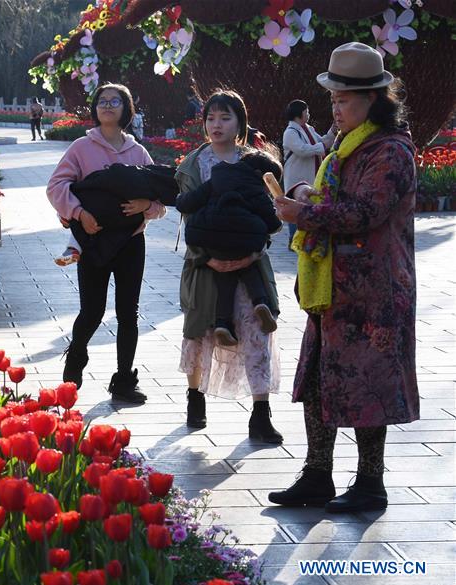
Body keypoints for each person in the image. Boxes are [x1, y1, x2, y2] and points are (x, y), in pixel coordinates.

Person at [269, 42, 419, 512]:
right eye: (332, 99)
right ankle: (317, 474)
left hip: (374, 291)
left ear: (373, 99)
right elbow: (336, 200)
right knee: (320, 379)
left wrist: (303, 214)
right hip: (333, 286)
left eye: (344, 99)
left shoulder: (390, 150)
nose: (335, 108)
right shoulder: (344, 144)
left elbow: (365, 212)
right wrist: (303, 197)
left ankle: (371, 484)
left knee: (367, 384)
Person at [174, 89, 284, 444]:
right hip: (206, 265)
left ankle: (261, 414)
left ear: (240, 122)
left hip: (250, 263)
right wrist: (210, 258)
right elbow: (189, 216)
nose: (216, 125)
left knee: (257, 333)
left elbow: (270, 213)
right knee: (201, 334)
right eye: (211, 118)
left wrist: (253, 252)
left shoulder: (256, 162)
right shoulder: (193, 165)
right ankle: (195, 400)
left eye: (225, 117)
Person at [47, 82, 167, 403]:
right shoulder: (80, 148)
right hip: (94, 242)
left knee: (128, 313)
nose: (108, 105)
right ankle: (76, 356)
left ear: (126, 109)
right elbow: (57, 186)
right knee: (92, 311)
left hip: (130, 243)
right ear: (95, 108)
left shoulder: (137, 151)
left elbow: (161, 198)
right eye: (102, 100)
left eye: (115, 101)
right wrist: (78, 213)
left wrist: (146, 208)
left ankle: (124, 381)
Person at [176, 150, 283, 346]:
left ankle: (222, 324)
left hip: (212, 239)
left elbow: (190, 201)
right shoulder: (255, 187)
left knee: (224, 278)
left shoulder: (218, 176)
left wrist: (179, 199)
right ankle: (261, 302)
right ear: (262, 176)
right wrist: (278, 221)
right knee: (250, 267)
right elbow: (272, 222)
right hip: (243, 241)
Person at [282, 99, 336, 246]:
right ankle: (293, 239)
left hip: (310, 174)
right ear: (299, 114)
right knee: (296, 203)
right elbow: (303, 150)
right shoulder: (290, 132)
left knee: (307, 203)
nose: (308, 114)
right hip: (296, 175)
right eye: (306, 111)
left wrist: (333, 131)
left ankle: (306, 239)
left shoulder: (308, 129)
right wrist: (322, 146)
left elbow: (324, 141)